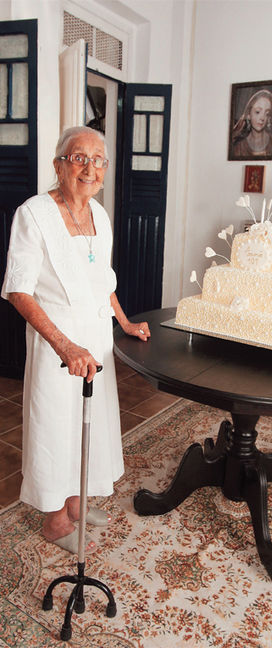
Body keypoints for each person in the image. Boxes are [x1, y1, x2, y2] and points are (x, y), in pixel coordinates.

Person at [1, 126, 150, 554]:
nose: (90, 168)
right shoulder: (33, 214)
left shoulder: (99, 216)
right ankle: (54, 520)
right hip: (57, 344)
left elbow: (102, 280)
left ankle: (75, 503)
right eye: (79, 157)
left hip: (96, 338)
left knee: (90, 425)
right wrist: (64, 345)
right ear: (59, 165)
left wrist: (123, 322)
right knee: (56, 427)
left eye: (98, 160)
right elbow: (18, 289)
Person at [232, 89, 272, 157]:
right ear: (249, 114)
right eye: (257, 112)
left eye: (267, 114)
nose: (262, 118)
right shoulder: (239, 146)